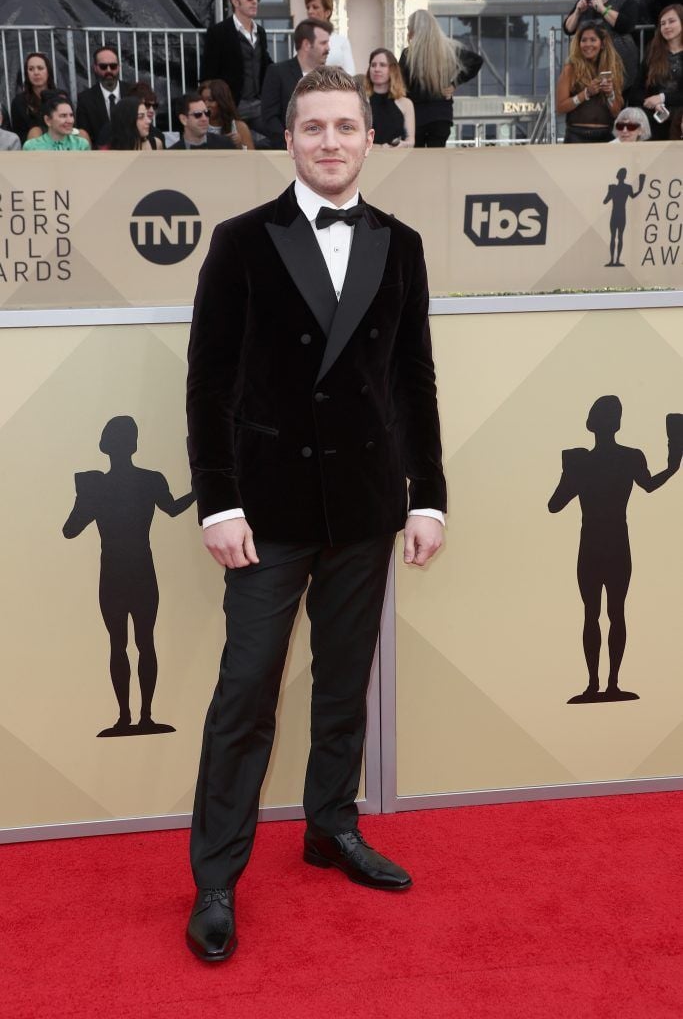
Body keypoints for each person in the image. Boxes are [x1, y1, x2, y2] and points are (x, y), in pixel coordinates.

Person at [185, 65, 446, 963]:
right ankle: (216, 876)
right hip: (266, 508)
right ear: (286, 139)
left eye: (345, 126)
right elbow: (208, 383)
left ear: (370, 138)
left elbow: (412, 380)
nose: (330, 142)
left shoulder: (399, 243)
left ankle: (330, 825)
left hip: (367, 504)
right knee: (246, 690)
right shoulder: (241, 240)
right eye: (313, 128)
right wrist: (215, 502)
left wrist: (429, 496)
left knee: (342, 683)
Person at [63, 416, 195, 736]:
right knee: (139, 642)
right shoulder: (149, 480)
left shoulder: (100, 485)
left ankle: (130, 718)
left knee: (122, 643)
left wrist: (86, 496)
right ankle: (138, 717)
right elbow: (175, 508)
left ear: (106, 445)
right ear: (132, 444)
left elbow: (70, 529)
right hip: (136, 569)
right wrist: (200, 489)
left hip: (117, 571)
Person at [548, 396, 680, 703]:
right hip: (616, 544)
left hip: (593, 544)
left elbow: (555, 504)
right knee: (613, 613)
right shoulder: (630, 458)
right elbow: (649, 484)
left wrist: (570, 472)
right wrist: (673, 465)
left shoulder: (581, 461)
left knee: (594, 614)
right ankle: (608, 685)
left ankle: (598, 685)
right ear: (616, 423)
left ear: (591, 424)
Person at [399, 9, 483, 148]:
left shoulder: (409, 55)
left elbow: (401, 86)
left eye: (409, 28)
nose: (408, 32)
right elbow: (476, 61)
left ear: (414, 29)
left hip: (416, 116)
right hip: (441, 115)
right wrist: (454, 84)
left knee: (416, 162)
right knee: (437, 160)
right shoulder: (448, 49)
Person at [202, 0, 272, 142]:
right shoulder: (218, 32)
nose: (254, 1)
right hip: (232, 106)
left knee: (282, 134)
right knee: (231, 145)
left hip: (258, 105)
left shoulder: (260, 32)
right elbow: (208, 73)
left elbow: (266, 65)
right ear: (235, 1)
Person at [261, 18, 332, 149]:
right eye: (323, 43)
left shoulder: (330, 77)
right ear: (306, 45)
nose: (328, 48)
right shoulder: (277, 72)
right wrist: (292, 144)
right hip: (287, 154)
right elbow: (269, 118)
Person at [556, 21, 624, 143]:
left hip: (606, 135)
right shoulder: (570, 68)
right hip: (576, 135)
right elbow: (560, 107)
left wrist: (610, 94)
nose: (588, 44)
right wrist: (586, 93)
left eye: (593, 40)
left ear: (602, 44)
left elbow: (616, 112)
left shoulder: (612, 68)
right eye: (584, 40)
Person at [563, 0, 639, 92]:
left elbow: (627, 25)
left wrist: (603, 9)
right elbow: (568, 29)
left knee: (616, 96)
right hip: (589, 62)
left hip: (618, 61)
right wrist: (577, 12)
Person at [633, 4, 683, 140]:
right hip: (655, 120)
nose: (666, 26)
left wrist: (662, 98)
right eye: (663, 23)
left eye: (671, 21)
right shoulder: (652, 52)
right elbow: (637, 89)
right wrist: (653, 103)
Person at [76, 45, 129, 149]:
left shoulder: (132, 92)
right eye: (103, 67)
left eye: (113, 66)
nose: (108, 70)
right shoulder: (85, 99)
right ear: (95, 68)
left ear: (119, 67)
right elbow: (84, 134)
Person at [365, 48, 415, 147]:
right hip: (369, 158)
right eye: (373, 65)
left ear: (392, 70)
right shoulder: (362, 102)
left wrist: (402, 145)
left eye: (382, 65)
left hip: (397, 158)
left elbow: (411, 141)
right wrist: (379, 147)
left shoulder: (406, 103)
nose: (377, 69)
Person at [10, 52, 57, 144]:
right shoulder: (18, 102)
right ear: (27, 74)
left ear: (48, 72)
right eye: (31, 69)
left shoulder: (60, 97)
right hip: (31, 149)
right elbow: (19, 135)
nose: (36, 72)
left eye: (40, 68)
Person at [305, 0, 355, 73]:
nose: (310, 11)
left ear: (327, 12)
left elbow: (351, 74)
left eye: (315, 7)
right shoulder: (303, 42)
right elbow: (297, 74)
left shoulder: (341, 41)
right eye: (308, 8)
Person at [198, 78, 254, 148]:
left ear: (222, 101)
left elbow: (252, 157)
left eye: (210, 100)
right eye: (202, 100)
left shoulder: (239, 127)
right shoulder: (196, 125)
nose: (205, 105)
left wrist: (239, 146)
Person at [170, 92, 237, 149]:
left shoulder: (225, 145)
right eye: (198, 114)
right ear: (183, 119)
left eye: (207, 113)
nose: (204, 118)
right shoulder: (171, 154)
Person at [22, 97, 90, 151]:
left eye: (71, 115)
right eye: (63, 116)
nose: (70, 121)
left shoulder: (81, 145)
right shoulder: (32, 146)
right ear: (48, 120)